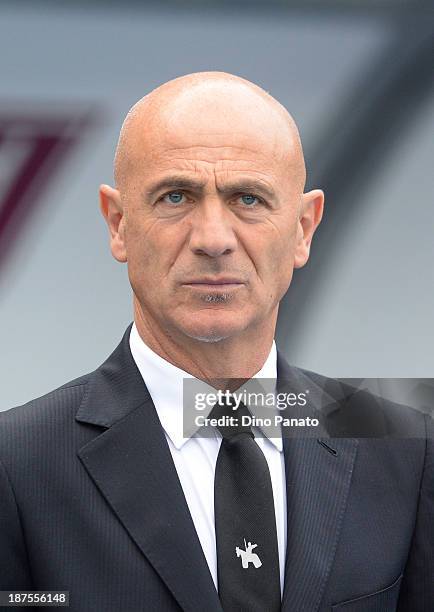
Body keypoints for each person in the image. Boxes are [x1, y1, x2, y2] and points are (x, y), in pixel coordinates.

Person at [0, 72, 432, 612]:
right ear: (118, 223)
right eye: (175, 196)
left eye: (248, 199)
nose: (212, 239)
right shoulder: (16, 463)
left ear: (302, 229)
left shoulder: (406, 449)